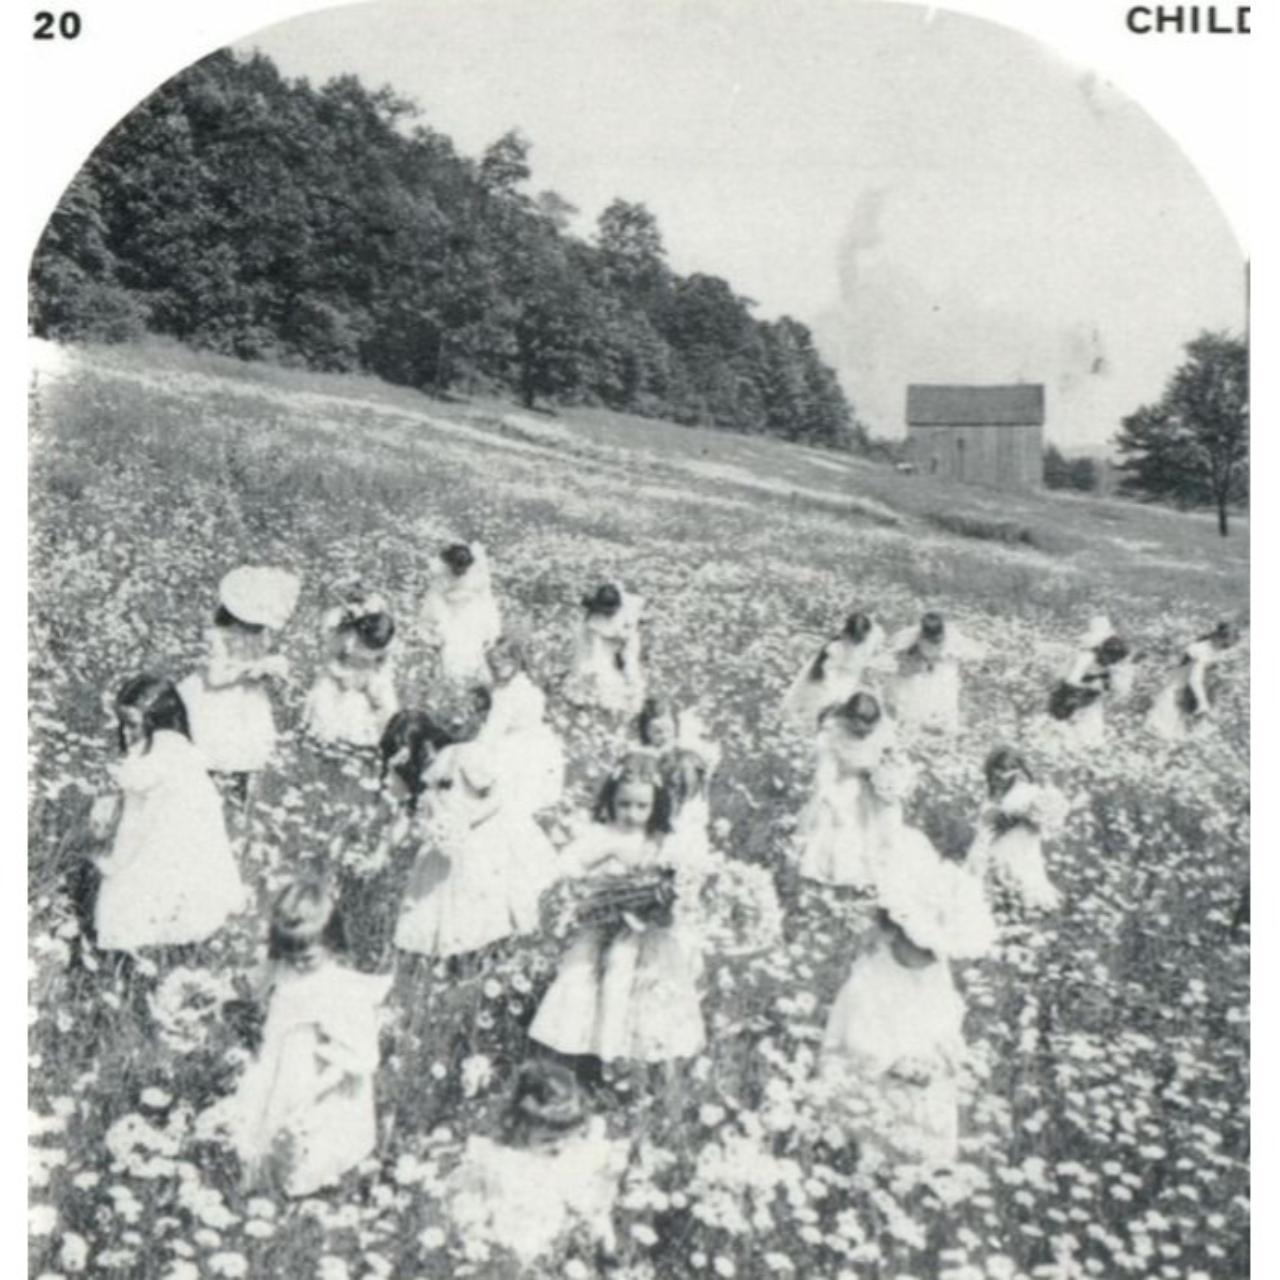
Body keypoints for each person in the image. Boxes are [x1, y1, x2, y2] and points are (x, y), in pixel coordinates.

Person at [199, 879, 391, 1197]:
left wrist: (313, 1092)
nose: (298, 964)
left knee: (302, 1144)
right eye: (291, 955)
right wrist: (215, 993)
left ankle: (302, 1195)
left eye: (308, 958)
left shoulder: (338, 988)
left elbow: (353, 1056)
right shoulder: (280, 968)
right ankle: (257, 1186)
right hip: (272, 1066)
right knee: (259, 1126)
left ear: (332, 945)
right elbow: (247, 986)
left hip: (312, 1079)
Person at [821, 834, 995, 1170]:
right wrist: (893, 1063)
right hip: (879, 1084)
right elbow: (851, 1043)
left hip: (926, 1085)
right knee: (876, 1149)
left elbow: (945, 1017)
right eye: (923, 948)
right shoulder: (868, 983)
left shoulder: (935, 974)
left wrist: (949, 1053)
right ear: (893, 934)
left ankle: (927, 1170)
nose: (932, 958)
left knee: (927, 1144)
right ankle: (866, 1166)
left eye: (936, 951)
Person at [529, 753, 706, 1067]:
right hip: (605, 925)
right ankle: (597, 1053)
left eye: (642, 806)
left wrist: (667, 886)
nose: (632, 814)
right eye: (624, 804)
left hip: (648, 928)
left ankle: (640, 1052)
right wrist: (589, 881)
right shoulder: (603, 835)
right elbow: (569, 862)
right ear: (610, 800)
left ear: (656, 806)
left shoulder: (660, 838)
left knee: (649, 984)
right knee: (603, 978)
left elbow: (678, 870)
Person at [393, 689, 558, 960]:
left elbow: (491, 795)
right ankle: (443, 957)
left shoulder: (470, 755)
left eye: (467, 716)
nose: (458, 722)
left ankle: (475, 956)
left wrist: (465, 820)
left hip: (479, 835)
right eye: (452, 716)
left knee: (480, 900)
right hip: (452, 836)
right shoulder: (447, 755)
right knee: (439, 900)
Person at [89, 674, 247, 952]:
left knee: (141, 899)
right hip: (172, 841)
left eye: (133, 725)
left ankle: (135, 956)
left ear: (159, 723)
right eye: (123, 725)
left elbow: (132, 784)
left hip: (161, 843)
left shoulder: (160, 753)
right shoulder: (183, 752)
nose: (126, 733)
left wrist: (107, 802)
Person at [443, 1062, 629, 1267]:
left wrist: (604, 1243)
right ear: (520, 1128)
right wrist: (478, 1232)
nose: (559, 1146)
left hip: (553, 1232)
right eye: (547, 1140)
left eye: (566, 1139)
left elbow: (589, 1204)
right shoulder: (499, 1159)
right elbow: (471, 1203)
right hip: (507, 1231)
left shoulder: (569, 1160)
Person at [178, 565, 299, 807]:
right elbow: (216, 677)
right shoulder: (219, 636)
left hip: (247, 703)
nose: (257, 628)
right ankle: (205, 802)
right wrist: (252, 669)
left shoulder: (261, 636)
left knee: (246, 752)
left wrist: (271, 673)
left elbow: (261, 665)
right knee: (213, 750)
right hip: (216, 699)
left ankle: (238, 802)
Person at [795, 692, 916, 891]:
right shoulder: (832, 735)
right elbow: (825, 774)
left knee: (882, 829)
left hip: (872, 788)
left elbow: (893, 758)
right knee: (842, 827)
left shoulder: (884, 732)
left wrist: (890, 776)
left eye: (869, 729)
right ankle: (841, 874)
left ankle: (877, 876)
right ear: (848, 720)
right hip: (844, 784)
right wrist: (828, 795)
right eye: (858, 729)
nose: (864, 734)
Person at [966, 747, 1069, 913]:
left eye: (1006, 770)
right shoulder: (992, 798)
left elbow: (1053, 809)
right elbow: (983, 834)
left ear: (1017, 771)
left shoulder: (1027, 794)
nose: (999, 775)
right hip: (990, 861)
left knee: (1018, 902)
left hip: (1018, 861)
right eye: (996, 769)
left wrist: (1013, 816)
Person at [476, 635, 566, 820]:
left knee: (510, 800)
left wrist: (475, 749)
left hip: (516, 746)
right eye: (493, 664)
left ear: (515, 661)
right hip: (539, 740)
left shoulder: (506, 694)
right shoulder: (530, 684)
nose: (497, 668)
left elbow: (493, 730)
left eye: (501, 663)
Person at [302, 588, 399, 749]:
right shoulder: (347, 638)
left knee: (384, 704)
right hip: (342, 674)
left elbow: (383, 664)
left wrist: (376, 675)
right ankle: (328, 734)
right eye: (367, 644)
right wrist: (341, 676)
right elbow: (331, 655)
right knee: (332, 701)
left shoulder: (386, 643)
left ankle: (382, 736)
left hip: (369, 674)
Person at [633, 696, 721, 859]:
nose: (663, 735)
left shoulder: (689, 758)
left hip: (681, 821)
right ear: (646, 735)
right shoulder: (642, 761)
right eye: (656, 731)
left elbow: (705, 791)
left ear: (675, 728)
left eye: (667, 729)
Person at [780, 610, 885, 734]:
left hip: (847, 678)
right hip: (834, 677)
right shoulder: (835, 650)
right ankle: (812, 722)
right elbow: (824, 677)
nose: (855, 644)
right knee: (819, 704)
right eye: (853, 640)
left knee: (836, 705)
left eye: (859, 640)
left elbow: (876, 643)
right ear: (846, 635)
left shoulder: (872, 637)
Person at [883, 611, 987, 736]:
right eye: (932, 640)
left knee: (943, 688)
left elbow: (973, 652)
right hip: (918, 670)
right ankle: (917, 718)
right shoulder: (911, 637)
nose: (936, 642)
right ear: (923, 634)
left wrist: (945, 658)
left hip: (941, 669)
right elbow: (895, 651)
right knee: (912, 694)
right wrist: (912, 660)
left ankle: (939, 719)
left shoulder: (952, 639)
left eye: (939, 639)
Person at [1147, 621, 1244, 742]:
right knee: (1162, 738)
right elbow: (1195, 679)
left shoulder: (1208, 648)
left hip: (1179, 696)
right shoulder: (1202, 650)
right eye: (1226, 645)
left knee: (1174, 739)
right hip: (1172, 696)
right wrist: (1203, 703)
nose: (1225, 649)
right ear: (1219, 638)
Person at [419, 542, 502, 685]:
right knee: (452, 662)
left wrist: (491, 632)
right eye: (456, 567)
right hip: (451, 624)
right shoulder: (440, 583)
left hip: (472, 622)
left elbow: (488, 606)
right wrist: (434, 635)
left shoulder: (479, 581)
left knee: (475, 659)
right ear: (449, 565)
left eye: (463, 567)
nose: (460, 570)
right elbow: (430, 611)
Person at [1047, 616, 1135, 748]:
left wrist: (1108, 684)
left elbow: (1115, 689)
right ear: (1102, 651)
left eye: (1114, 660)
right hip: (1068, 696)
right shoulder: (1086, 658)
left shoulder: (1108, 666)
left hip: (1089, 700)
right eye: (1110, 658)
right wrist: (1091, 686)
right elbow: (1070, 680)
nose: (1111, 662)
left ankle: (1086, 745)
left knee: (1091, 730)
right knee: (1061, 725)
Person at [565, 583, 647, 715]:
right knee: (595, 667)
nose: (609, 613)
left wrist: (626, 658)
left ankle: (634, 700)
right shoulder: (593, 622)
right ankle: (587, 695)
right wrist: (593, 669)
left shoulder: (631, 606)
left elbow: (630, 645)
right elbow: (596, 651)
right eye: (605, 610)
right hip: (603, 638)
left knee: (632, 668)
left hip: (627, 636)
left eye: (612, 610)